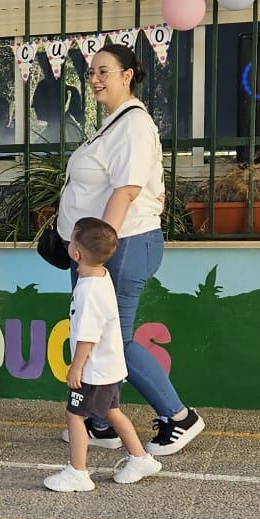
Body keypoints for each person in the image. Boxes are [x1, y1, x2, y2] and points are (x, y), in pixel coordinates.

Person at [57, 41, 205, 457]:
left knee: (115, 340)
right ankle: (101, 420)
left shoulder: (134, 125)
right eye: (91, 72)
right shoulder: (112, 123)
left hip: (120, 245)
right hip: (97, 248)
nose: (96, 79)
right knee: (97, 334)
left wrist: (98, 252)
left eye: (104, 71)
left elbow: (126, 191)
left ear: (128, 75)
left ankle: (179, 416)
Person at [44, 218, 163, 492]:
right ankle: (140, 458)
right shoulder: (101, 276)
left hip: (94, 370)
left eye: (72, 240)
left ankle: (78, 472)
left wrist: (76, 367)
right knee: (111, 411)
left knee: (75, 415)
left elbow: (87, 335)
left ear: (76, 253)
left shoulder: (88, 290)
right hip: (107, 367)